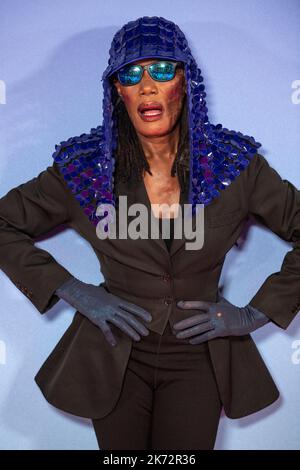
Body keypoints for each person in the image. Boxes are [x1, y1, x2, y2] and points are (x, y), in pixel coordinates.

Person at [0, 15, 299, 450]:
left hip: (200, 354)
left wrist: (254, 314)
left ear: (184, 81)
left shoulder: (235, 166)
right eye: (130, 73)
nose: (146, 85)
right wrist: (72, 289)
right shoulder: (85, 170)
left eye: (161, 69)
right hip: (113, 353)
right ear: (117, 91)